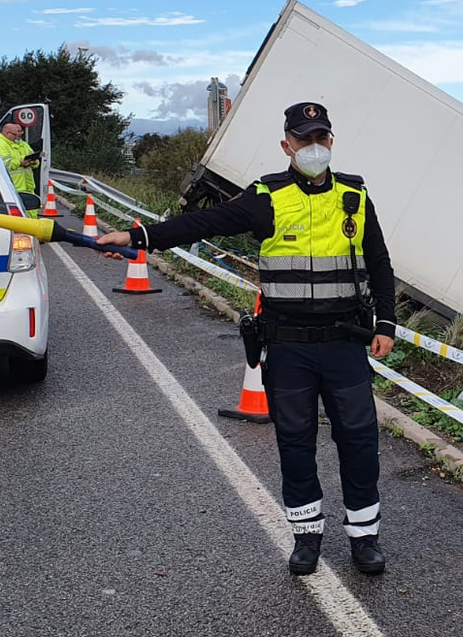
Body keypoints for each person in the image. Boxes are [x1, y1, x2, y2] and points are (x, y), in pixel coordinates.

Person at [97, 102, 397, 576]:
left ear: (331, 142)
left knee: (359, 442)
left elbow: (378, 262)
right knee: (295, 442)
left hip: (345, 343)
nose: (314, 147)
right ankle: (306, 535)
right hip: (289, 345)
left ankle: (365, 537)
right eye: (304, 139)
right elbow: (204, 223)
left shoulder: (355, 196)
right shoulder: (267, 196)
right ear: (287, 146)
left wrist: (386, 325)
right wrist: (139, 237)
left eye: (322, 137)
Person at [0, 122, 39, 217]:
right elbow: (5, 164)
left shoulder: (22, 144)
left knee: (32, 215)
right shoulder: (0, 145)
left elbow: (35, 162)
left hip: (28, 186)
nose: (17, 136)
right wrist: (21, 162)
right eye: (15, 134)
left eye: (20, 132)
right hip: (13, 187)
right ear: (7, 133)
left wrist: (33, 162)